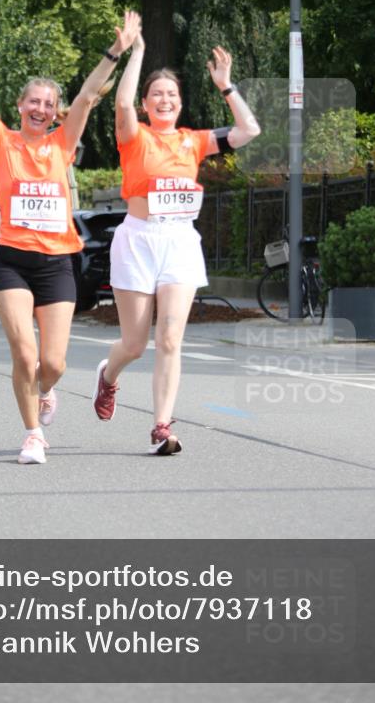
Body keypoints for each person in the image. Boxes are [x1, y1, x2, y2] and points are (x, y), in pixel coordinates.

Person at [0, 0, 139, 464]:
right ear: (20, 106)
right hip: (12, 262)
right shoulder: (2, 143)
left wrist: (114, 52)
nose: (40, 109)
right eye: (33, 102)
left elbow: (86, 96)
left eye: (48, 104)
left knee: (54, 363)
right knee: (24, 354)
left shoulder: (62, 143)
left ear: (56, 113)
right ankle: (33, 435)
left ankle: (46, 390)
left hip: (57, 263)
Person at [92, 26, 261, 454]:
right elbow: (121, 102)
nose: (165, 100)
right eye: (157, 95)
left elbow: (250, 130)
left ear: (180, 102)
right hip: (137, 241)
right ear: (147, 104)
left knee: (169, 340)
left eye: (172, 94)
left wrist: (226, 86)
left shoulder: (194, 141)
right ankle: (108, 376)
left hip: (180, 243)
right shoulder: (134, 136)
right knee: (134, 343)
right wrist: (136, 53)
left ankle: (162, 427)